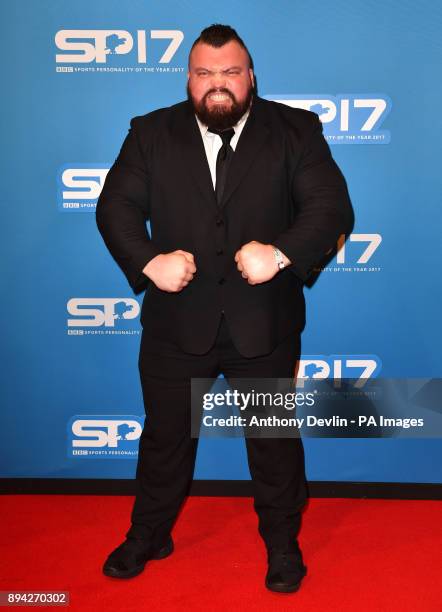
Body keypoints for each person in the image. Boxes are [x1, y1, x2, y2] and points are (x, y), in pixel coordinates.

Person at [96, 24, 354, 593]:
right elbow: (115, 206)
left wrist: (282, 254)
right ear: (188, 78)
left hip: (263, 321)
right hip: (174, 323)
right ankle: (149, 533)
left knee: (272, 441)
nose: (219, 85)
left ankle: (283, 543)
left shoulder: (295, 129)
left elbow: (331, 207)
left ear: (250, 77)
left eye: (231, 73)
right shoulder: (150, 132)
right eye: (206, 73)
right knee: (165, 438)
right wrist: (147, 262)